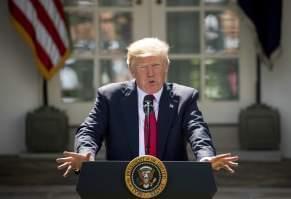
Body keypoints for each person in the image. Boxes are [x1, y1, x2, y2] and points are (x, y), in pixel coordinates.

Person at [56, 38, 239, 177]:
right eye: (143, 67)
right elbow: (89, 130)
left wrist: (205, 158)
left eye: (156, 65)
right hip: (122, 180)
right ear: (132, 70)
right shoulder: (110, 96)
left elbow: (198, 131)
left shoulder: (185, 97)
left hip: (172, 181)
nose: (150, 73)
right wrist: (86, 154)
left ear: (166, 67)